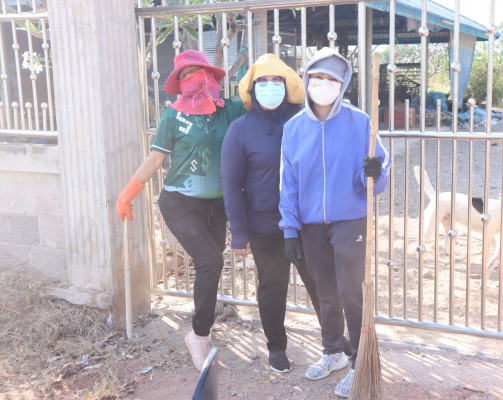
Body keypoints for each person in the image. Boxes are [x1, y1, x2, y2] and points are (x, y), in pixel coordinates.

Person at [116, 50, 246, 373]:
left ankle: (204, 331)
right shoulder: (172, 116)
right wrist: (128, 194)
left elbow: (256, 101)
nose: (191, 79)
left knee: (209, 267)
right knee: (212, 261)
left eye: (196, 72)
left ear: (211, 75)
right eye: (184, 75)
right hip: (179, 203)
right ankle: (199, 336)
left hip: (217, 205)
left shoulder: (228, 110)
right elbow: (155, 160)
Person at [221, 53, 350, 373]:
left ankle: (335, 343)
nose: (269, 87)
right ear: (251, 88)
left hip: (308, 223)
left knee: (322, 284)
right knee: (272, 286)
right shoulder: (240, 129)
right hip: (265, 225)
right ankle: (276, 348)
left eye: (276, 80)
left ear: (288, 84)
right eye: (261, 82)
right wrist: (238, 230)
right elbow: (231, 182)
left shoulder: (306, 119)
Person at [279, 47, 390, 398]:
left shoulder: (361, 122)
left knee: (351, 293)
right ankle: (333, 352)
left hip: (350, 220)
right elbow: (288, 182)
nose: (323, 84)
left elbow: (377, 175)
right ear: (306, 79)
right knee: (325, 292)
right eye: (317, 77)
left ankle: (359, 363)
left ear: (342, 84)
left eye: (331, 79)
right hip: (311, 224)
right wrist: (289, 228)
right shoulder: (293, 128)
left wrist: (375, 172)